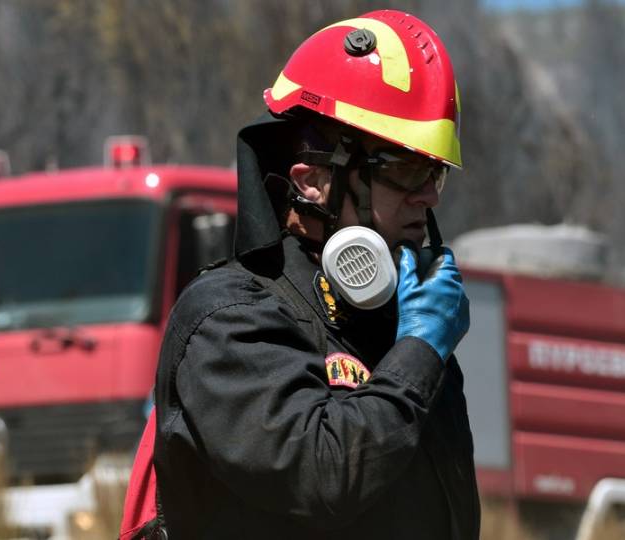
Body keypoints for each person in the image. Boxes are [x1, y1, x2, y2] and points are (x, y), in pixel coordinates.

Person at [153, 9, 479, 539]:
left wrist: (416, 351)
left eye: (435, 171)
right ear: (313, 181)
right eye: (404, 168)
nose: (429, 195)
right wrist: (418, 354)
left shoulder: (398, 329)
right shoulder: (228, 319)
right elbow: (323, 477)